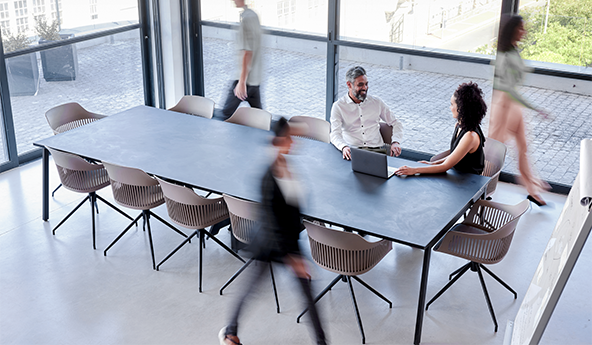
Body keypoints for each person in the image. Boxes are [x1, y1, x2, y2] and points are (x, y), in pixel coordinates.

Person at [219, 118, 327, 345]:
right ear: (279, 141)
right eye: (289, 139)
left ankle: (230, 331)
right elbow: (271, 220)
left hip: (285, 239)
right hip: (272, 242)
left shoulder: (284, 164)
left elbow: (292, 205)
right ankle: (229, 333)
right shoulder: (268, 176)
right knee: (257, 289)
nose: (294, 142)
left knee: (255, 288)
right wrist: (293, 258)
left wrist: (291, 130)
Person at [488, 14, 550, 206]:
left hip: (513, 105)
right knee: (493, 152)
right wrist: (536, 108)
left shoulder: (513, 50)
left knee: (523, 147)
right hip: (505, 106)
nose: (524, 31)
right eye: (520, 28)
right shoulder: (505, 56)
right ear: (512, 30)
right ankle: (480, 186)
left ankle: (532, 188)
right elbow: (508, 90)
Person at [395, 82, 487, 176]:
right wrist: (432, 164)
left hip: (469, 182)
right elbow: (454, 155)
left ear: (461, 108)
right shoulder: (459, 125)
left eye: (452, 104)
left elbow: (445, 167)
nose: (450, 107)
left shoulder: (470, 136)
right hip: (457, 175)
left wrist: (414, 170)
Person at [330, 66, 403, 160]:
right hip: (352, 152)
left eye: (366, 84)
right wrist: (343, 147)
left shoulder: (377, 102)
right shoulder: (339, 106)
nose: (365, 88)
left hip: (377, 152)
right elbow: (335, 134)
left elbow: (396, 123)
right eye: (360, 85)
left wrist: (395, 142)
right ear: (349, 84)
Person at [221, 0, 263, 118]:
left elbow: (247, 52)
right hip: (254, 79)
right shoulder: (253, 15)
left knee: (226, 114)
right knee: (260, 117)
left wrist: (241, 82)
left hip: (245, 80)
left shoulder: (246, 19)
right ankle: (282, 133)